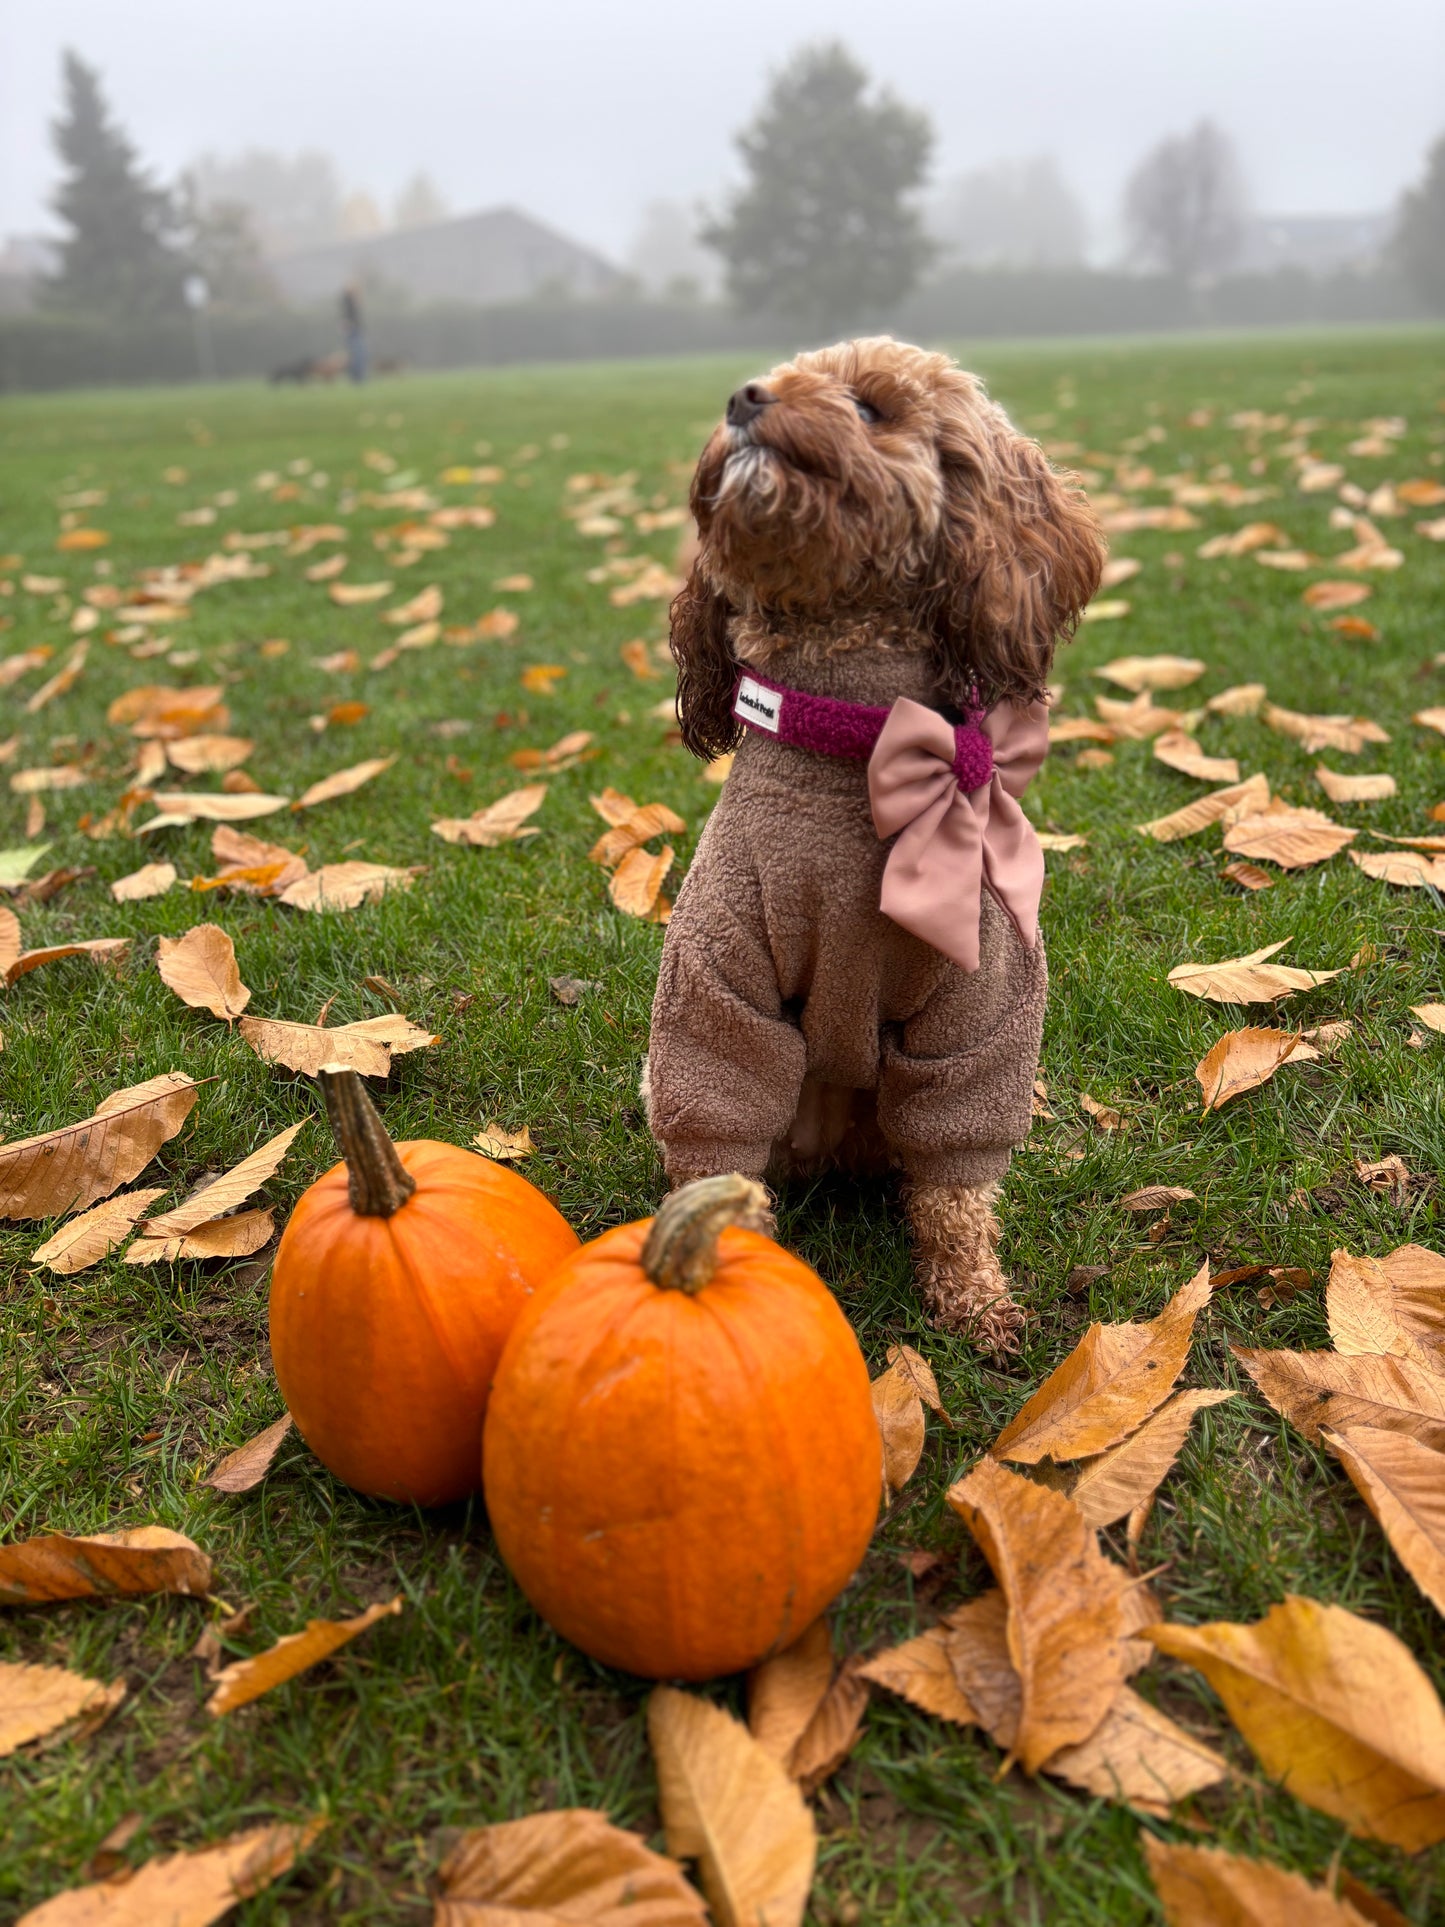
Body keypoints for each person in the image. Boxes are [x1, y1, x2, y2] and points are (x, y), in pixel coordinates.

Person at [341, 283, 367, 384]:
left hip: (355, 330)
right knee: (357, 355)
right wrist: (348, 326)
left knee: (358, 355)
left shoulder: (350, 302)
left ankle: (358, 378)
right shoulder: (348, 302)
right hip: (353, 331)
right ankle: (357, 379)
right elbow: (346, 320)